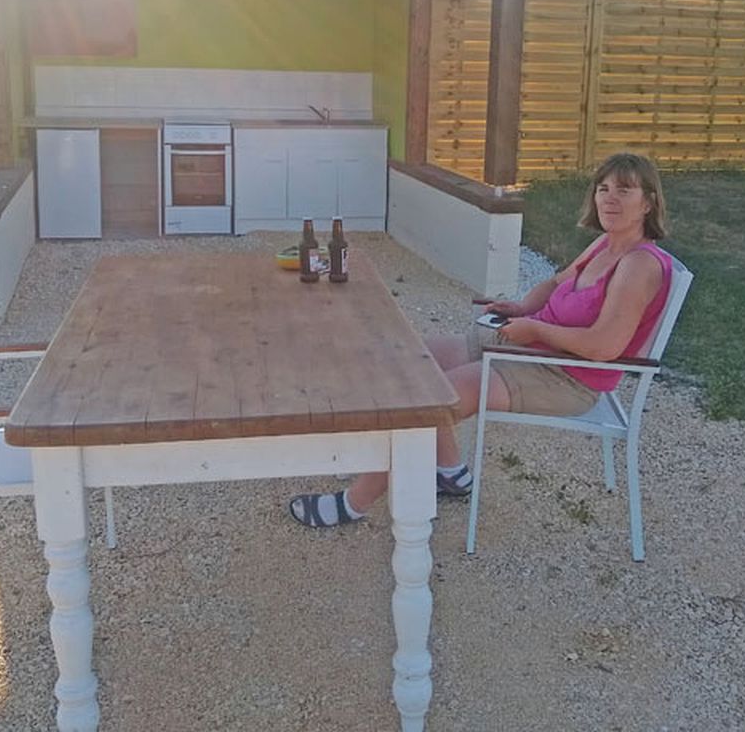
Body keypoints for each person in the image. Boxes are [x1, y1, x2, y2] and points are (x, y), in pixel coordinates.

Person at [288, 152, 674, 529]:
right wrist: (523, 308)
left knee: (423, 405)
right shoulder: (605, 245)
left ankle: (353, 504)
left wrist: (535, 330)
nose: (609, 198)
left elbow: (603, 348)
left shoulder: (639, 265)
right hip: (529, 346)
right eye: (603, 188)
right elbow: (556, 282)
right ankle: (451, 472)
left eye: (624, 190)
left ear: (648, 203)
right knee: (405, 361)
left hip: (566, 376)